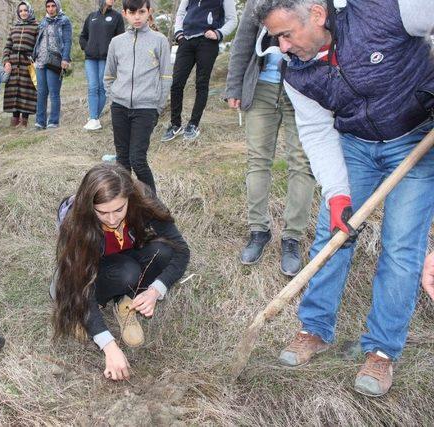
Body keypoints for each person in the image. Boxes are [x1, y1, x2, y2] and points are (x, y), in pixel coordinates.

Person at [254, 0, 434, 397]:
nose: (282, 46)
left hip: (416, 139)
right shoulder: (295, 72)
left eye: (286, 34)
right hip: (354, 146)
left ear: (316, 14)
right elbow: (317, 132)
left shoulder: (385, 11)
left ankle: (382, 351)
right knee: (333, 236)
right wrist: (337, 194)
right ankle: (314, 329)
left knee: (402, 247)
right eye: (275, 37)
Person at [52, 163, 190, 381]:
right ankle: (79, 306)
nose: (112, 219)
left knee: (162, 252)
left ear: (130, 199)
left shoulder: (143, 200)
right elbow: (80, 284)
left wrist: (155, 290)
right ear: (90, 207)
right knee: (93, 286)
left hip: (121, 258)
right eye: (102, 212)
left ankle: (124, 300)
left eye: (119, 210)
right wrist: (109, 345)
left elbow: (181, 250)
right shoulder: (76, 221)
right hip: (82, 271)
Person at [225, 0, 315, 277]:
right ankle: (258, 230)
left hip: (302, 87)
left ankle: (292, 238)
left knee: (302, 162)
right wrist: (234, 85)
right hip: (261, 86)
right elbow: (243, 41)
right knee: (257, 161)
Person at [104, 0, 172, 194]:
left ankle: (153, 207)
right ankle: (125, 203)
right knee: (122, 160)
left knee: (138, 160)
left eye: (141, 12)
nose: (137, 16)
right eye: (132, 12)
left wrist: (158, 106)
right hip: (120, 107)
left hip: (146, 108)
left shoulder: (159, 40)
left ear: (148, 12)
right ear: (124, 13)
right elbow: (109, 75)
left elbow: (166, 76)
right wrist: (113, 99)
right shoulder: (116, 42)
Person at [161, 0, 237, 143]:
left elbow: (232, 20)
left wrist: (219, 33)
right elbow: (181, 13)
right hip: (186, 41)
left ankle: (193, 124)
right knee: (176, 83)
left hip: (207, 43)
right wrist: (178, 33)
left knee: (201, 84)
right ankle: (175, 124)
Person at [79, 0, 125, 131]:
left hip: (107, 59)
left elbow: (120, 39)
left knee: (102, 87)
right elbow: (83, 36)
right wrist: (86, 47)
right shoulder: (91, 16)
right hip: (90, 58)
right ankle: (94, 118)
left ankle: (94, 118)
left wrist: (115, 56)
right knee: (92, 87)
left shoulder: (117, 16)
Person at [32, 0, 72, 130]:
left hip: (55, 60)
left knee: (54, 92)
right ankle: (40, 121)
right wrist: (34, 55)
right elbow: (39, 40)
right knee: (41, 93)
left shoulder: (64, 20)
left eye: (53, 6)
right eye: (48, 6)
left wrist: (65, 58)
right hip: (40, 60)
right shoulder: (43, 22)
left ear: (57, 6)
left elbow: (67, 41)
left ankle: (53, 121)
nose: (50, 8)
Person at [2, 1, 38, 128]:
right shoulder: (14, 27)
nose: (23, 13)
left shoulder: (36, 26)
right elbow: (7, 46)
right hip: (13, 64)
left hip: (27, 64)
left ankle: (24, 123)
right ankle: (14, 121)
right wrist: (6, 61)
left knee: (26, 92)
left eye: (25, 10)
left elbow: (38, 47)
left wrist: (33, 60)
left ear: (30, 11)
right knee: (14, 92)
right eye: (21, 11)